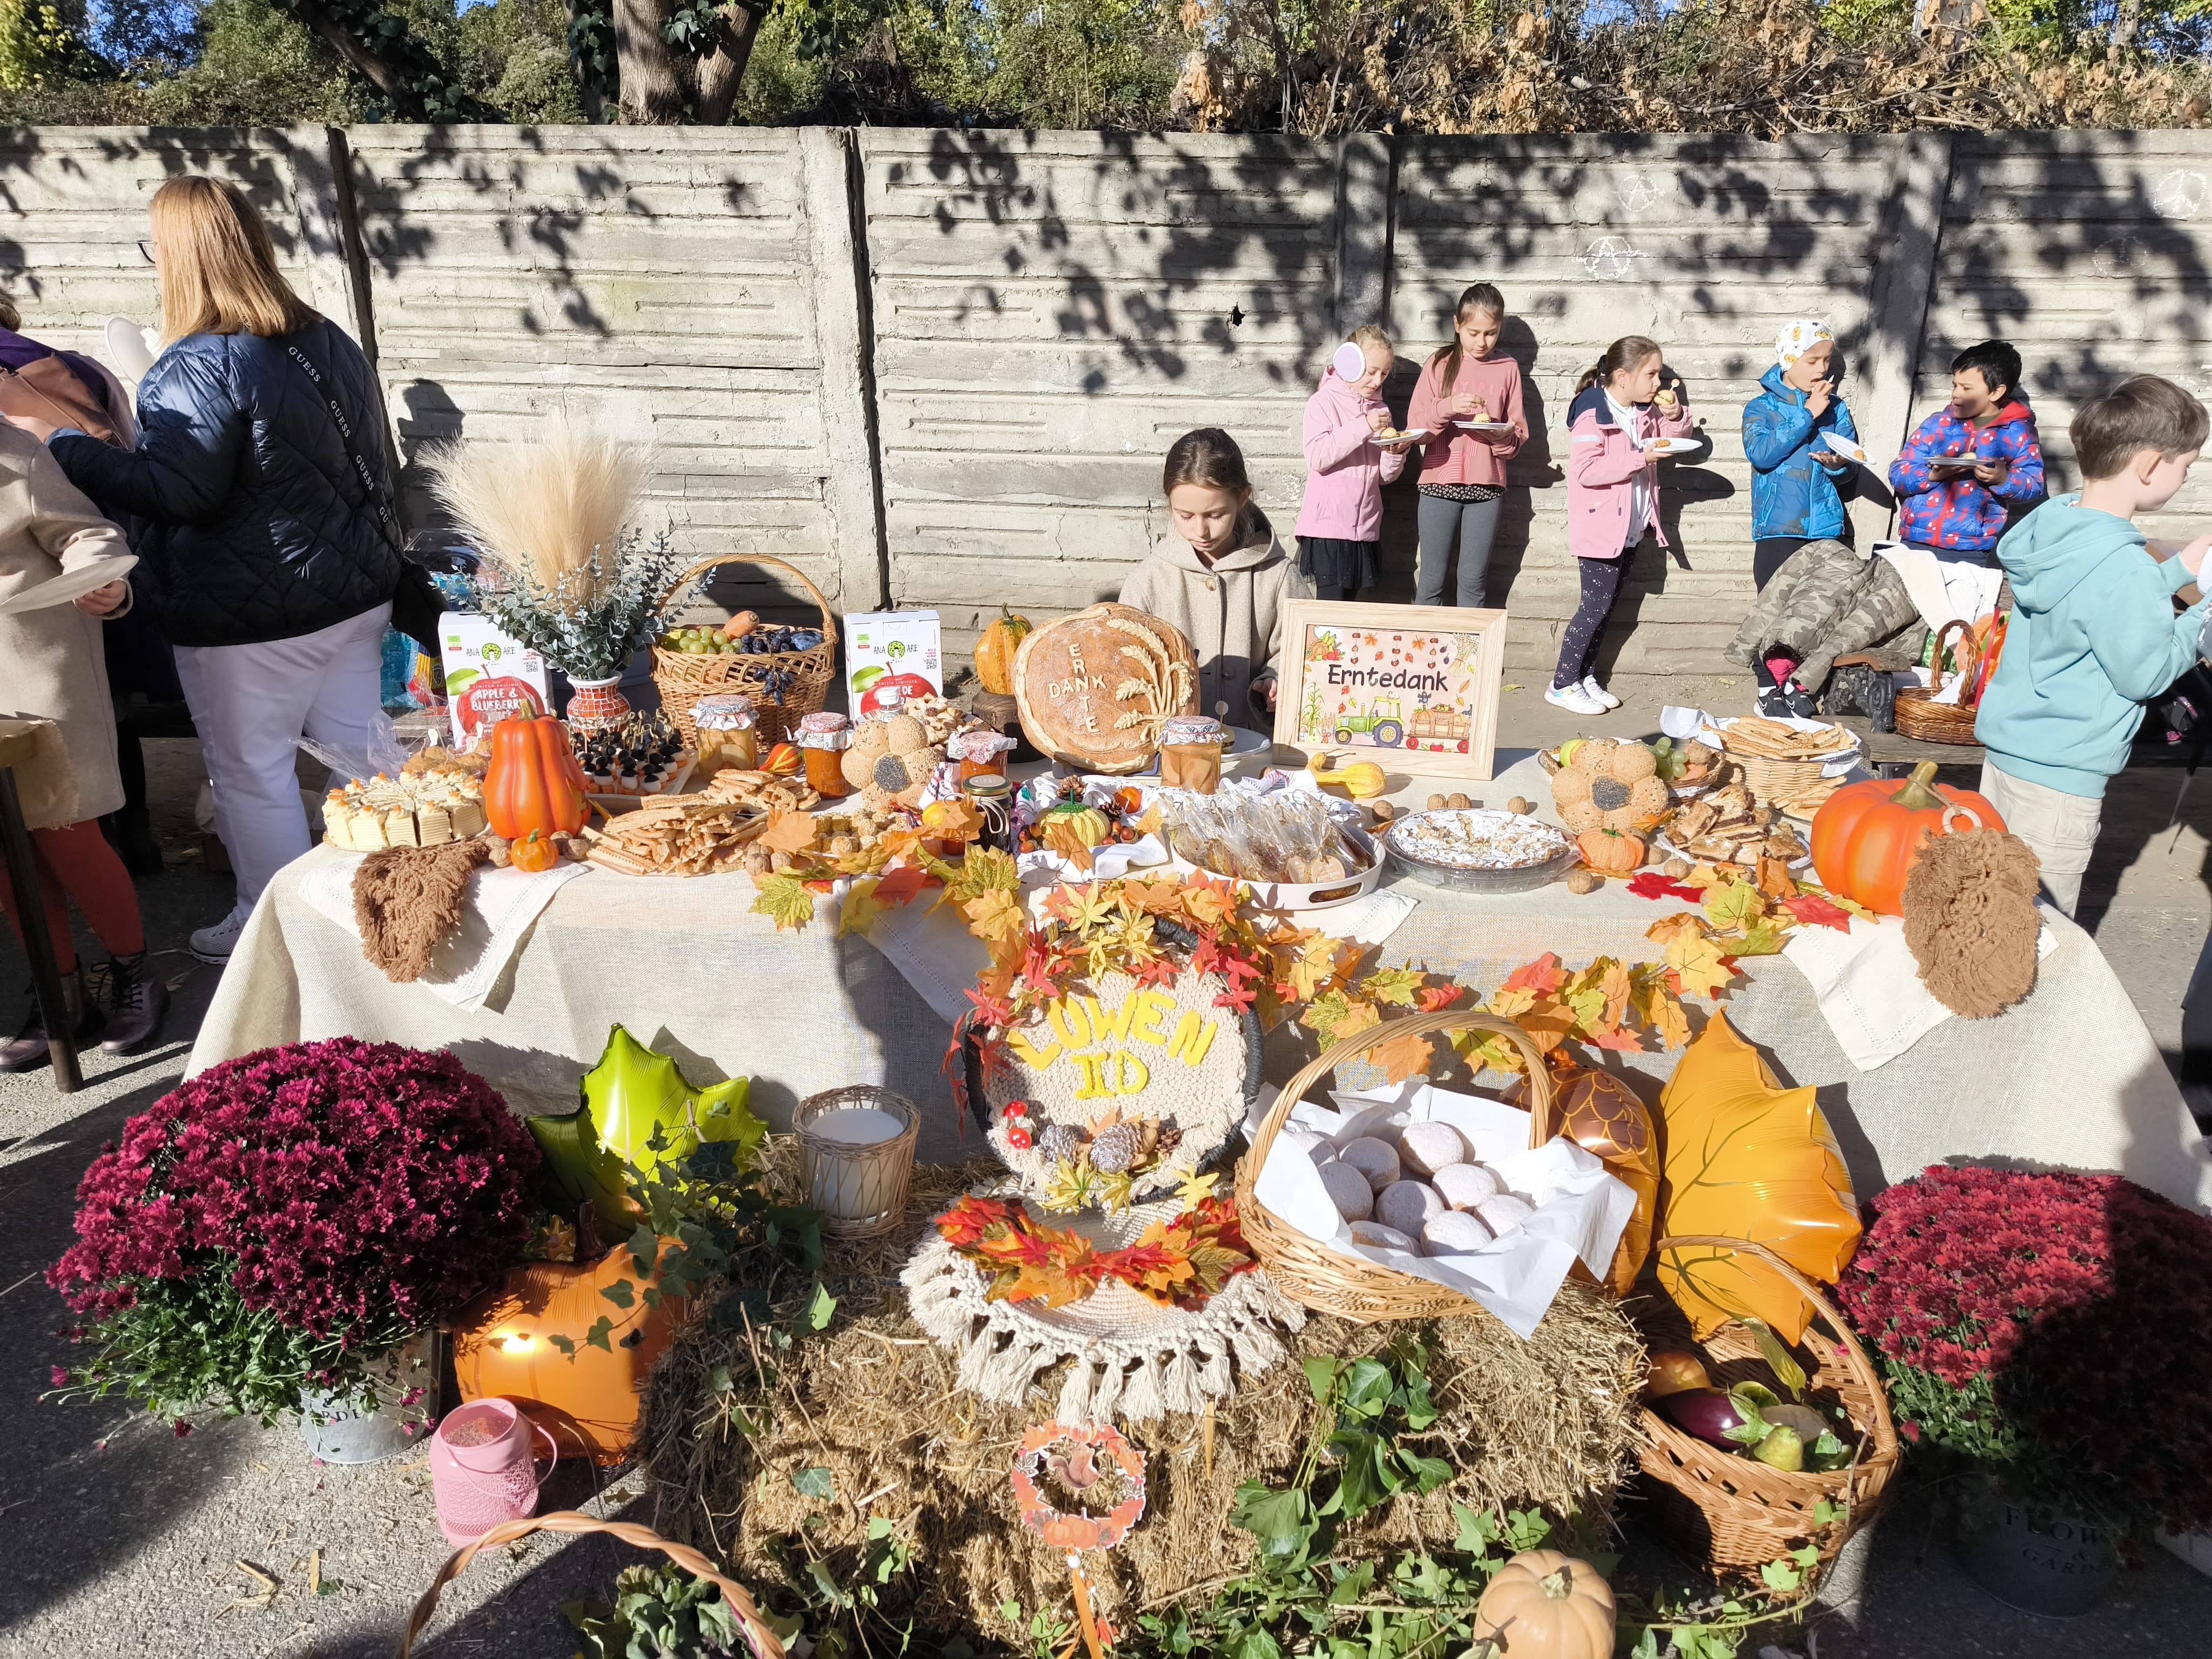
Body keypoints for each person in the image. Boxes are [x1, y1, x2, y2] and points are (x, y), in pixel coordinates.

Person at [7, 176, 402, 965]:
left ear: (178, 256)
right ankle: (386, 904)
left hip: (249, 620)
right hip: (352, 594)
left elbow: (177, 492)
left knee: (252, 776)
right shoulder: (325, 335)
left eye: (154, 248)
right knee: (361, 761)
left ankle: (274, 933)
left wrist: (65, 450)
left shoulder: (195, 363)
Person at [1974, 376, 2212, 918]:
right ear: (2151, 466)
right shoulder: (2123, 565)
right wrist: (2202, 611)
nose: (2184, 479)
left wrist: (2175, 572)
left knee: (1988, 903)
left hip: (2010, 752)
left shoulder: (2057, 525)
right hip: (2062, 777)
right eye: (2185, 467)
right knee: (2039, 926)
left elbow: (2090, 602)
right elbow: (2145, 675)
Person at [0, 422, 168, 1065]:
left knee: (65, 832)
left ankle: (134, 975)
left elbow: (88, 532)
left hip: (38, 672)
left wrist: (104, 580)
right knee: (5, 849)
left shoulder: (14, 450)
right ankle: (59, 991)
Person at [1123, 428, 1312, 725]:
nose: (1200, 531)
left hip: (1255, 750)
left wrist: (1276, 677)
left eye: (1215, 515)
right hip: (1174, 752)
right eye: (1185, 516)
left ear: (1243, 499)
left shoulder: (1277, 574)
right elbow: (1124, 664)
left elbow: (1305, 649)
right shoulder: (1149, 580)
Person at [1548, 336, 1693, 716]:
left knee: (1608, 609)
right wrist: (1640, 456)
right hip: (1600, 530)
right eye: (1652, 374)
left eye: (1659, 374)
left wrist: (1676, 416)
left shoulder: (1643, 411)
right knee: (1593, 609)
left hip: (1629, 529)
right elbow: (1586, 471)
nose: (1658, 383)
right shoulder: (1593, 412)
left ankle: (1585, 676)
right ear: (1622, 377)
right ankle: (1562, 683)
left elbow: (1679, 438)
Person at [1742, 319, 1862, 713]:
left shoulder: (1837, 408)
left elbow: (1850, 468)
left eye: (1827, 360)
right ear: (1789, 359)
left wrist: (1837, 465)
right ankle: (1766, 692)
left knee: (1820, 613)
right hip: (1780, 527)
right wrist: (1807, 414)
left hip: (1826, 526)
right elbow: (1762, 455)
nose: (1822, 369)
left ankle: (1798, 689)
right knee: (1774, 612)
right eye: (1813, 360)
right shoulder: (1761, 407)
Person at [1405, 282, 1527, 608]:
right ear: (1457, 325)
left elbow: (1517, 437)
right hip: (1437, 484)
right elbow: (1416, 430)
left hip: (1486, 488)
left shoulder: (1508, 369)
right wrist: (1447, 406)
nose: (1482, 342)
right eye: (1473, 332)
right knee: (1431, 579)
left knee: (1474, 580)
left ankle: (1468, 657)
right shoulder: (1439, 363)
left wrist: (1501, 438)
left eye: (1491, 333)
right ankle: (1421, 653)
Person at [1889, 339, 2045, 565]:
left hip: (1970, 549)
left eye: (1967, 388)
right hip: (1915, 540)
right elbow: (1899, 471)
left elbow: (2034, 485)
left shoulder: (2018, 433)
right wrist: (1933, 475)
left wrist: (2004, 479)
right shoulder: (1937, 425)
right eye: (1955, 385)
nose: (1956, 394)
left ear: (1996, 392)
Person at [1292, 325, 1410, 601]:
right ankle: (1315, 649)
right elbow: (1318, 457)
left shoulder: (1381, 410)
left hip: (1365, 528)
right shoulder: (1322, 402)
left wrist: (1395, 453)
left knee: (1349, 617)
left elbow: (1383, 476)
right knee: (1329, 616)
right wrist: (1364, 426)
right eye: (1371, 372)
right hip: (1329, 528)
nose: (1378, 381)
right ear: (1349, 363)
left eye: (1384, 373)